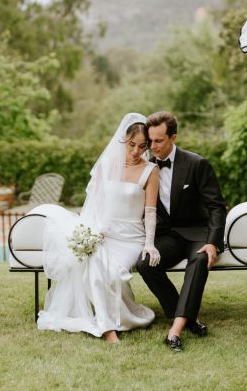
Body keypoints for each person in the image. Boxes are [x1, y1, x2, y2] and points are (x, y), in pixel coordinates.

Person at [36, 113, 161, 343]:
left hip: (132, 238)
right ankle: (107, 328)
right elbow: (94, 204)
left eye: (142, 147)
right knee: (93, 266)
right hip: (105, 235)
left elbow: (150, 212)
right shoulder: (106, 166)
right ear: (123, 140)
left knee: (112, 272)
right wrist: (91, 232)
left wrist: (150, 244)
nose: (135, 151)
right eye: (132, 145)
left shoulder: (150, 171)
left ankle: (117, 319)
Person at [136, 111, 227, 352]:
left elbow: (216, 206)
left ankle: (174, 332)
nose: (152, 146)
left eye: (158, 141)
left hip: (197, 233)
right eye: (150, 141)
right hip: (167, 236)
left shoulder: (197, 164)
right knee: (145, 264)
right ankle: (187, 318)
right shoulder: (145, 167)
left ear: (173, 137)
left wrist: (212, 243)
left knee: (199, 261)